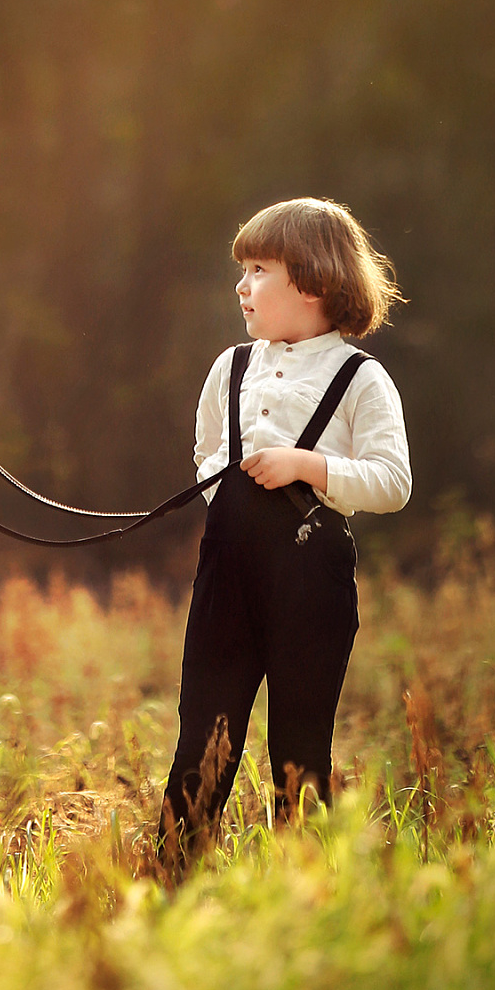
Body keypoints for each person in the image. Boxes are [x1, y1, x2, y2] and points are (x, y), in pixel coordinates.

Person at [160, 197, 411, 856]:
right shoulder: (230, 367)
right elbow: (207, 453)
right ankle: (174, 870)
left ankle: (303, 879)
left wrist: (308, 465)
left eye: (259, 270)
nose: (242, 286)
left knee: (300, 742)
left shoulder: (361, 378)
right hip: (228, 574)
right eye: (242, 270)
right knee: (203, 731)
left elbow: (393, 482)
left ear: (314, 280)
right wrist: (233, 499)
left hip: (313, 579)